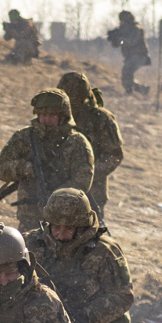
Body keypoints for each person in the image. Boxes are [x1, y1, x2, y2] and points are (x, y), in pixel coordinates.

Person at [25, 189, 133, 323]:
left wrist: (83, 317)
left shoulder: (104, 251)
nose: (60, 234)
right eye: (55, 227)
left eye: (68, 228)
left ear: (82, 226)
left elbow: (122, 296)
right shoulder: (30, 244)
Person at [0, 89, 95, 232]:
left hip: (65, 223)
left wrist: (56, 200)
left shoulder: (77, 142)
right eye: (42, 115)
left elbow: (83, 181)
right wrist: (23, 168)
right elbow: (0, 169)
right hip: (30, 218)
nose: (45, 120)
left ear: (63, 116)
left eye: (51, 115)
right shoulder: (24, 137)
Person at [56, 72, 124, 218]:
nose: (73, 106)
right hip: (54, 188)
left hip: (91, 194)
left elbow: (114, 154)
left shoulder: (101, 118)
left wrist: (88, 175)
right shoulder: (55, 116)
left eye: (76, 101)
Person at [106, 11, 151, 95]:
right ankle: (142, 89)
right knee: (126, 75)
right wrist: (114, 39)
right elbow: (116, 45)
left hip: (140, 56)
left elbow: (131, 42)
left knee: (127, 73)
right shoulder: (122, 30)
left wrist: (120, 38)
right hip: (130, 57)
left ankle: (129, 92)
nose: (121, 22)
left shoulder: (136, 29)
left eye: (122, 20)